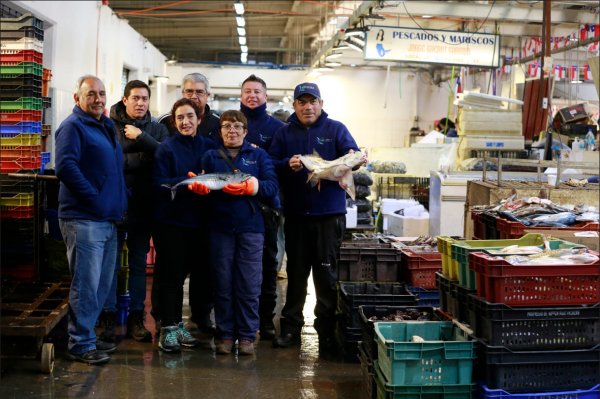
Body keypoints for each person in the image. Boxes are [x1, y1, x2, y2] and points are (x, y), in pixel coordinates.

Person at [269, 82, 365, 357]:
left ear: (321, 104)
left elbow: (353, 155)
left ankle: (326, 334)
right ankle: (290, 329)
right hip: (297, 217)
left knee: (326, 277)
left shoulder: (336, 129)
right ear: (295, 105)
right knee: (296, 276)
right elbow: (271, 164)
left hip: (329, 217)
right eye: (302, 102)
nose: (307, 107)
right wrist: (287, 164)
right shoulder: (285, 133)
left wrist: (357, 161)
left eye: (312, 102)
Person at [190, 110, 279, 356]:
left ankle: (248, 335)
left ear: (245, 131)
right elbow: (200, 185)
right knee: (222, 283)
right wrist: (199, 188)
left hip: (252, 229)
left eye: (237, 126)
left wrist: (254, 186)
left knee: (249, 284)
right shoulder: (209, 156)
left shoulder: (259, 156)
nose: (232, 130)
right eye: (227, 126)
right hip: (219, 229)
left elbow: (272, 187)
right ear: (220, 131)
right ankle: (226, 334)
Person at [55, 75, 127, 364]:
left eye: (101, 93)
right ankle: (80, 343)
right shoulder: (72, 127)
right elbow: (66, 167)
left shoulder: (106, 126)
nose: (98, 99)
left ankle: (88, 337)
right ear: (77, 99)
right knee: (86, 283)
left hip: (107, 218)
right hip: (83, 218)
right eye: (91, 94)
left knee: (100, 285)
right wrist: (95, 199)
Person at [97, 80, 169, 344]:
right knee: (110, 265)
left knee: (138, 265)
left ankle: (137, 319)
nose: (140, 103)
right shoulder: (107, 126)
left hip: (144, 207)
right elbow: (107, 161)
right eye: (135, 98)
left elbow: (165, 156)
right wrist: (142, 158)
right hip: (114, 205)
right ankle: (107, 317)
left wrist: (143, 139)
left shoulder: (158, 129)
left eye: (144, 99)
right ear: (124, 100)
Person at [155, 72, 220, 336]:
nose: (185, 122)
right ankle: (168, 326)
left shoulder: (208, 146)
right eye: (180, 117)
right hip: (172, 222)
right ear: (174, 121)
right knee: (171, 276)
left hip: (202, 222)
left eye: (190, 117)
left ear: (199, 119)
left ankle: (198, 319)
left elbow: (216, 177)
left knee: (203, 274)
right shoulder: (166, 148)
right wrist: (187, 182)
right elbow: (159, 182)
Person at [239, 74, 285, 340]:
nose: (252, 96)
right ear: (241, 95)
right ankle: (239, 320)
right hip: (234, 207)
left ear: (266, 96)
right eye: (247, 91)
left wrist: (260, 154)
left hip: (266, 207)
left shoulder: (277, 128)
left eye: (257, 91)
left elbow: (281, 163)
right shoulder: (231, 123)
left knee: (268, 266)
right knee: (236, 268)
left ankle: (266, 320)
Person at [157, 72, 220, 141]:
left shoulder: (218, 122)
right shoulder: (165, 120)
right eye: (189, 91)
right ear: (183, 94)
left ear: (207, 95)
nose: (194, 97)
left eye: (199, 92)